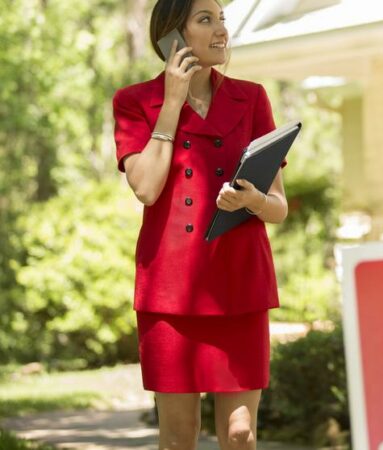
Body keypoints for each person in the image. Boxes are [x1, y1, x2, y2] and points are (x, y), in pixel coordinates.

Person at [111, 0, 288, 448]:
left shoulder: (251, 98)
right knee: (177, 438)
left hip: (240, 281)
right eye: (205, 19)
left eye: (222, 19)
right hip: (170, 291)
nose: (221, 30)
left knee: (241, 434)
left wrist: (253, 201)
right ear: (173, 35)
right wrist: (171, 102)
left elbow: (279, 206)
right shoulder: (135, 102)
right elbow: (147, 187)